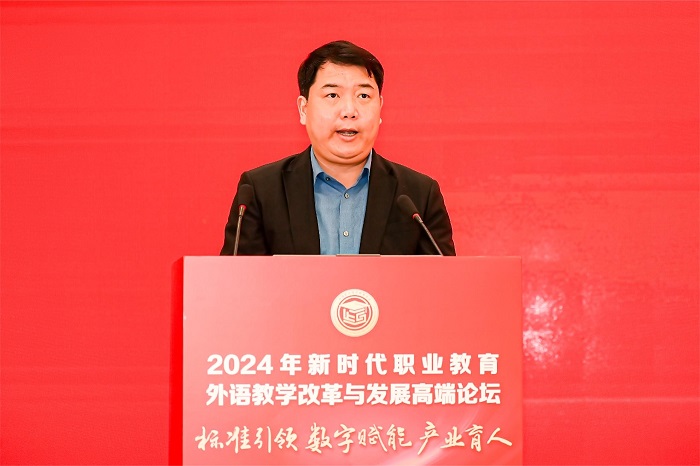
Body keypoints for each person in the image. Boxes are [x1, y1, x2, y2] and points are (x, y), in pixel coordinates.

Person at [220, 40, 455, 256]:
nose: (349, 111)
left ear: (380, 108)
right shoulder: (260, 192)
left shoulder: (419, 196)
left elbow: (444, 284)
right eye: (332, 95)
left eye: (363, 95)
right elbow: (237, 283)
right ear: (303, 109)